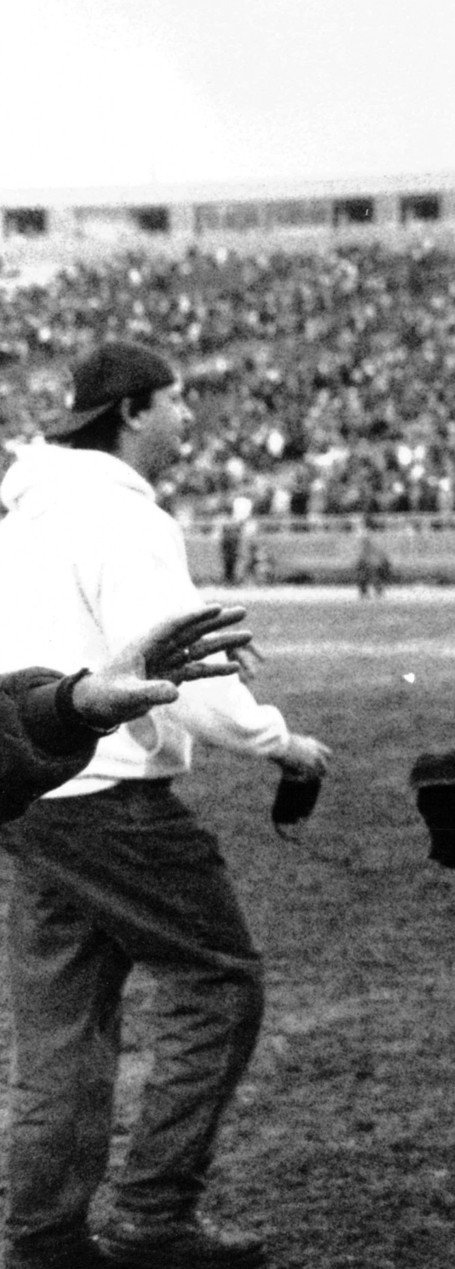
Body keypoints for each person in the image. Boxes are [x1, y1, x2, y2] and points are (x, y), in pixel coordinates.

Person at [0, 340, 333, 1269]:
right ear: (134, 409)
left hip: (32, 783)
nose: (191, 419)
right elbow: (169, 670)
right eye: (180, 401)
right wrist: (278, 741)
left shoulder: (24, 508)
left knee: (62, 1029)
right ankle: (152, 1212)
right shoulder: (123, 517)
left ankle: (44, 1235)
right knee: (220, 982)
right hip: (113, 794)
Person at [1, 606, 253, 822]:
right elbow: (207, 704)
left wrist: (77, 704)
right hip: (110, 788)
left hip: (47, 779)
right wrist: (285, 747)